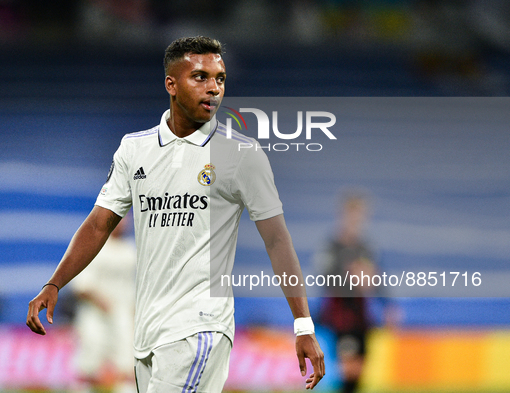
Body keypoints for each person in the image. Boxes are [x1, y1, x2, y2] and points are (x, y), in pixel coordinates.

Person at [27, 36, 325, 392]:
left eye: (220, 79)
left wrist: (303, 324)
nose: (213, 88)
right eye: (200, 77)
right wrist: (55, 282)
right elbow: (99, 223)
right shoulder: (134, 149)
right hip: (148, 331)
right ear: (171, 84)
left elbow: (277, 240)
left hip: (201, 325)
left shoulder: (242, 154)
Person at [313, 192, 376, 393]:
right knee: (347, 370)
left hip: (361, 317)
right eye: (353, 215)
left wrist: (388, 303)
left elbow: (376, 278)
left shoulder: (365, 247)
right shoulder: (332, 247)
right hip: (341, 317)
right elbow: (324, 277)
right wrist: (350, 275)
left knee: (358, 371)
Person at [70, 216, 136, 393]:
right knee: (88, 363)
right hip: (94, 315)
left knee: (127, 364)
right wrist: (101, 302)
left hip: (123, 315)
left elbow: (136, 286)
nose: (121, 224)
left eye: (124, 220)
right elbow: (81, 286)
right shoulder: (93, 246)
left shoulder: (130, 251)